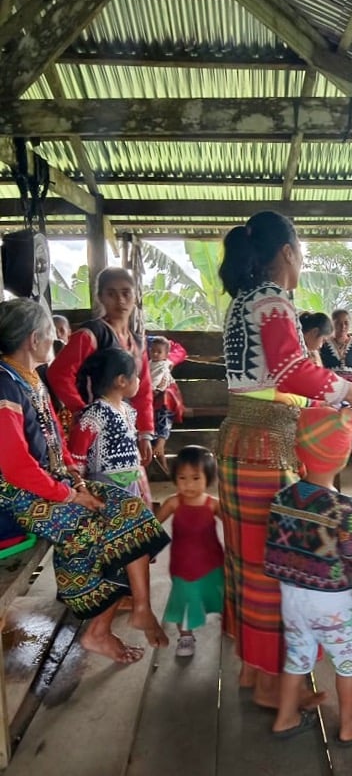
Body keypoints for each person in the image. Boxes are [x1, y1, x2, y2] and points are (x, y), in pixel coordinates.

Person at [217, 210, 352, 710]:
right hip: (266, 447)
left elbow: (273, 378)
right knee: (275, 567)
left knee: (247, 562)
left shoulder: (242, 300)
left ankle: (252, 669)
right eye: (301, 250)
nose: (302, 259)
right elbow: (291, 371)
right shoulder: (272, 301)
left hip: (240, 441)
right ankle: (271, 687)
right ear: (287, 252)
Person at [0, 298, 169, 663]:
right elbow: (14, 468)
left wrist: (75, 479)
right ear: (34, 339)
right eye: (50, 334)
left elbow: (56, 442)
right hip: (17, 497)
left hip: (53, 484)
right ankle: (97, 630)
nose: (53, 341)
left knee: (130, 510)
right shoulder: (4, 386)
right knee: (99, 529)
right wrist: (71, 495)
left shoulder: (31, 380)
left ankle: (139, 607)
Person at [265, 406, 352, 746]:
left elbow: (276, 547)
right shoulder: (343, 510)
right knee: (347, 663)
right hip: (332, 603)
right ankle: (349, 726)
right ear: (343, 456)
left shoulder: (282, 498)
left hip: (292, 598)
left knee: (297, 657)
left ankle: (285, 718)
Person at [47, 267, 155, 470]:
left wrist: (145, 433)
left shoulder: (138, 343)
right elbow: (59, 373)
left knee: (127, 478)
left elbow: (144, 390)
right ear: (100, 297)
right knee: (98, 479)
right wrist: (82, 410)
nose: (120, 300)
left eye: (126, 293)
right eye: (111, 294)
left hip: (123, 429)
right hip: (92, 434)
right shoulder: (91, 334)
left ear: (136, 295)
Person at [156, 445, 223, 658]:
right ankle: (185, 635)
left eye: (195, 478)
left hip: (212, 563)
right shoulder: (173, 502)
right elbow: (153, 527)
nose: (188, 484)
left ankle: (229, 623)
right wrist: (147, 550)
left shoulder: (213, 505)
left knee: (217, 593)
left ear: (208, 478)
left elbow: (235, 528)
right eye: (182, 478)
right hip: (182, 564)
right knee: (184, 598)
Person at [68, 348, 142, 496]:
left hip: (130, 481)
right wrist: (81, 486)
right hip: (104, 484)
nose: (139, 380)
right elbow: (78, 453)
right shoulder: (96, 413)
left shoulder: (128, 410)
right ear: (122, 381)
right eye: (136, 375)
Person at [149, 335, 186, 468]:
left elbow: (160, 381)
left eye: (158, 352)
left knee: (164, 405)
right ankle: (161, 461)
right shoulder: (149, 363)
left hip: (165, 397)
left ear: (165, 354)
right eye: (153, 351)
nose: (155, 354)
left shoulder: (164, 364)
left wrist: (155, 391)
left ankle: (161, 442)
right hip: (150, 397)